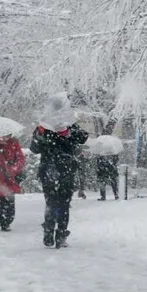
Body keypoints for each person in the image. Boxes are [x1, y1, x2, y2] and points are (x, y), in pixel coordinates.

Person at [29, 93, 89, 249]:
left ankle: (54, 233)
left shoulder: (68, 125)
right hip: (57, 169)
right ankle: (56, 234)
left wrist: (67, 133)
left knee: (55, 203)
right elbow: (34, 148)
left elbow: (83, 137)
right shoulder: (44, 127)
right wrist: (41, 134)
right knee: (60, 203)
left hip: (59, 169)